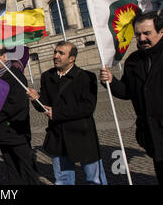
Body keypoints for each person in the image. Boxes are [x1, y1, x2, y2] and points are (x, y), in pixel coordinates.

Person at [99, 11, 163, 185]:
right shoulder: (133, 61)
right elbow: (127, 91)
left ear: (161, 32)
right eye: (138, 34)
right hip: (157, 142)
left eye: (147, 33)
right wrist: (111, 82)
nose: (142, 38)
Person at [27, 41, 107, 185]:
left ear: (72, 58)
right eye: (55, 52)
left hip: (82, 135)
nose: (56, 56)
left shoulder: (86, 77)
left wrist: (57, 113)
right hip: (58, 137)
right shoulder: (47, 76)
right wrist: (36, 99)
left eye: (61, 53)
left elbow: (87, 107)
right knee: (63, 181)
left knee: (94, 180)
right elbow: (43, 106)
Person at [0, 46, 41, 185]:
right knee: (12, 170)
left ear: (4, 57)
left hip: (17, 132)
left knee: (29, 170)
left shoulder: (14, 76)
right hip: (3, 134)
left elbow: (15, 104)